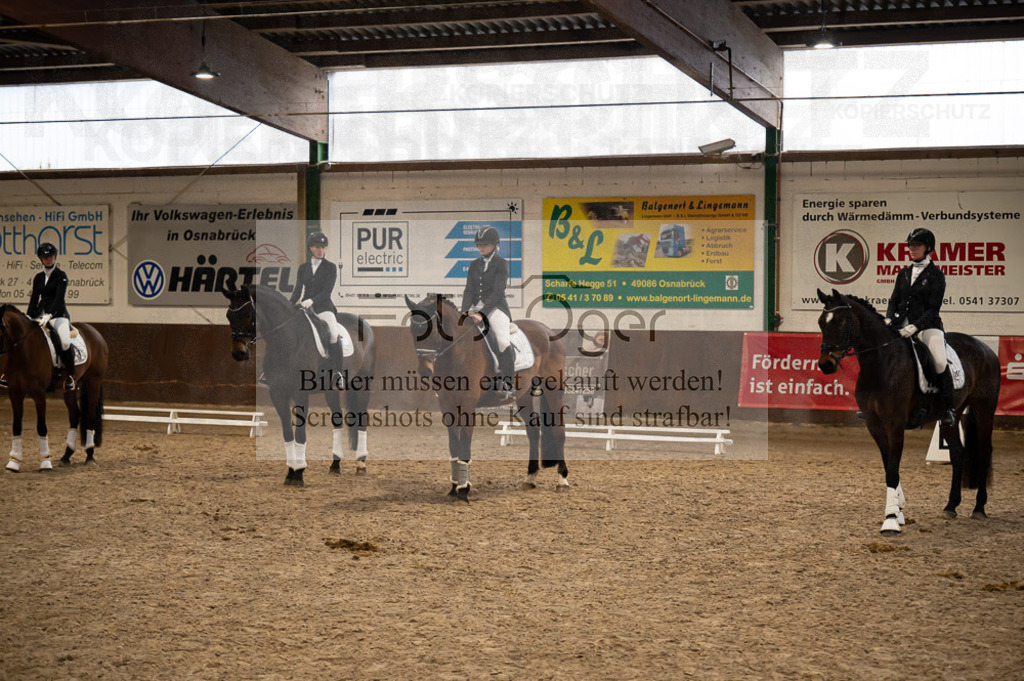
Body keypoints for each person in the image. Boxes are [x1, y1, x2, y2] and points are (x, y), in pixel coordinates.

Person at [885, 227, 956, 425]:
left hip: (927, 327)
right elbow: (893, 300)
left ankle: (947, 408)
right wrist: (889, 319)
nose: (911, 249)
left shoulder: (936, 276)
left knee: (940, 362)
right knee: (881, 354)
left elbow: (933, 309)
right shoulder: (903, 273)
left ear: (928, 248)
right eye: (910, 245)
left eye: (916, 245)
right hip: (899, 327)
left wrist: (915, 327)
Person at [461, 225, 515, 400]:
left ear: (494, 245)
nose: (481, 248)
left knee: (501, 340)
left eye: (485, 244)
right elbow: (468, 290)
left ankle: (508, 382)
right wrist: (464, 311)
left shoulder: (502, 264)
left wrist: (481, 313)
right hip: (475, 308)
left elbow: (497, 292)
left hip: (496, 308)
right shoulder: (473, 265)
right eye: (479, 245)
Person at [289, 231, 346, 389]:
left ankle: (338, 373)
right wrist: (289, 305)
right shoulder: (303, 268)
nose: (320, 249)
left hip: (323, 306)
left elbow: (327, 291)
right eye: (317, 246)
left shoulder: (331, 267)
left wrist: (312, 301)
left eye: (323, 247)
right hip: (304, 307)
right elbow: (297, 290)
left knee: (333, 334)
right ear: (311, 248)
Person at [26, 242, 76, 391]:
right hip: (40, 314)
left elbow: (59, 299)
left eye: (51, 256)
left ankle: (71, 376)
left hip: (58, 315)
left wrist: (49, 315)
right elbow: (34, 298)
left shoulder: (61, 276)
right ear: (41, 259)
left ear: (55, 257)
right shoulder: (38, 278)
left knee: (65, 342)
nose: (48, 259)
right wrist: (28, 316)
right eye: (45, 257)